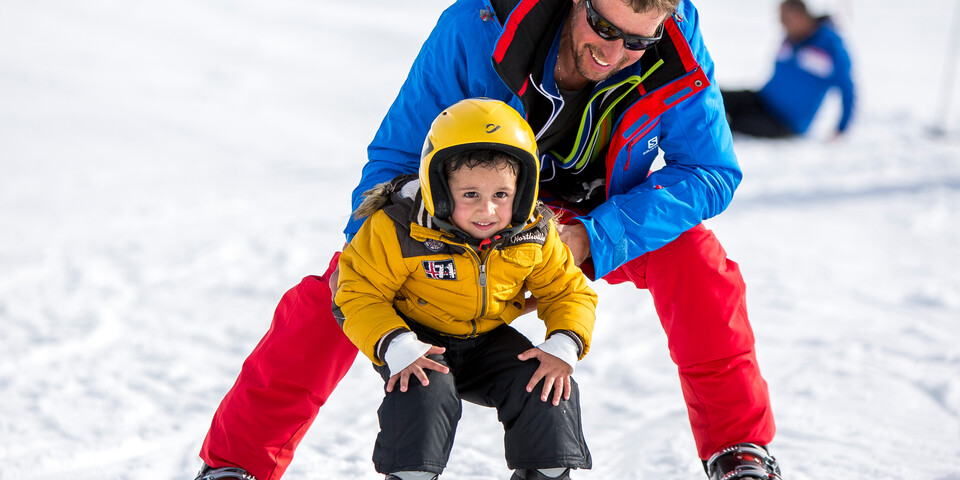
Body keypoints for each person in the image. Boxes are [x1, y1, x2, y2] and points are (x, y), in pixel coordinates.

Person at [194, 1, 783, 480]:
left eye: (637, 40)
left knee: (700, 264)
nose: (613, 53)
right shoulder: (476, 27)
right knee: (337, 291)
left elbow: (710, 171)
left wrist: (593, 236)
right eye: (602, 26)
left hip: (588, 218)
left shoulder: (675, 45)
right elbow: (395, 159)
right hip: (467, 210)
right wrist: (407, 248)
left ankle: (738, 455)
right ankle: (235, 467)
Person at [335, 98, 597, 480]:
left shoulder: (533, 235)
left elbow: (568, 292)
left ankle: (548, 471)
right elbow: (358, 292)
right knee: (424, 386)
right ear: (438, 188)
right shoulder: (400, 228)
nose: (487, 211)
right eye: (470, 194)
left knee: (545, 384)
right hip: (415, 337)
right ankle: (412, 475)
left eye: (501, 195)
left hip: (487, 341)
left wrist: (563, 345)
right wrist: (397, 345)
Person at [721, 0, 856, 138]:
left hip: (786, 122)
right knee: (716, 96)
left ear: (800, 16)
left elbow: (848, 90)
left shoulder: (831, 46)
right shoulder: (790, 39)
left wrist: (841, 129)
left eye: (786, 20)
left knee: (732, 126)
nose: (782, 25)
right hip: (763, 100)